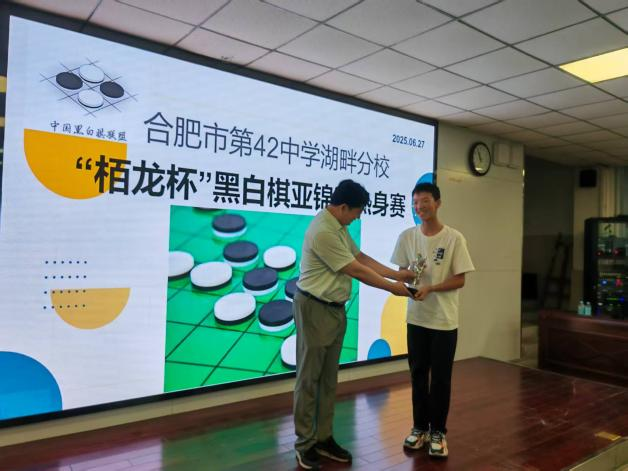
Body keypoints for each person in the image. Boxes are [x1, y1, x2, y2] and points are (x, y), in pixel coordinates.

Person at [293, 179, 416, 470]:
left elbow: (359, 257)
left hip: (334, 309)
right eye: (358, 212)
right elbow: (355, 269)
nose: (358, 217)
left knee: (328, 379)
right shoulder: (323, 230)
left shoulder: (337, 226)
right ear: (343, 207)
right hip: (314, 308)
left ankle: (323, 438)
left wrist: (397, 275)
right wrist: (394, 288)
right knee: (309, 379)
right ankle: (305, 444)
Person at [391, 182, 474, 459]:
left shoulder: (454, 238)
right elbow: (403, 271)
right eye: (415, 202)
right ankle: (419, 428)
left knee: (440, 378)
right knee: (417, 374)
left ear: (437, 203)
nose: (419, 207)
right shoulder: (407, 236)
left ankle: (438, 431)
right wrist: (407, 280)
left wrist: (432, 288)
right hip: (416, 318)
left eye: (425, 201)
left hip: (443, 321)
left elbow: (460, 279)